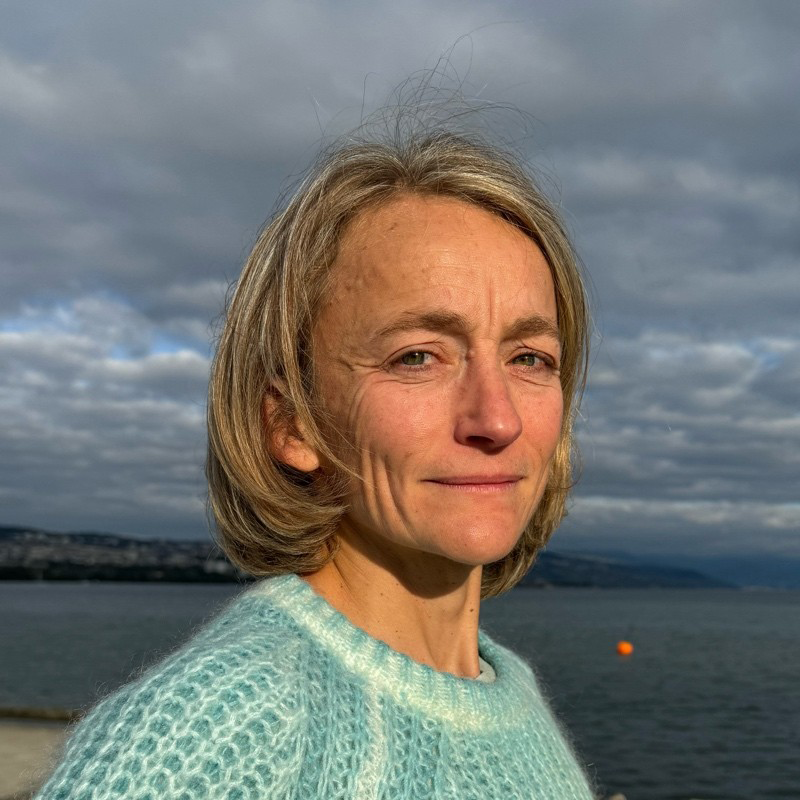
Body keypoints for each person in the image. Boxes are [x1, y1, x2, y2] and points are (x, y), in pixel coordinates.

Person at [35, 122, 595, 798]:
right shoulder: (223, 724)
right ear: (291, 424)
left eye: (530, 358)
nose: (498, 419)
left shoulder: (504, 688)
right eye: (417, 357)